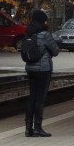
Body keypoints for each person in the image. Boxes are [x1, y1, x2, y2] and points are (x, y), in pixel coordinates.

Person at [23, 9, 59, 137]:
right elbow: (55, 51)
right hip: (43, 69)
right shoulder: (45, 34)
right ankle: (38, 128)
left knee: (32, 97)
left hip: (30, 68)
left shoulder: (28, 32)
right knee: (40, 99)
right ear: (43, 21)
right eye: (45, 20)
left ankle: (28, 129)